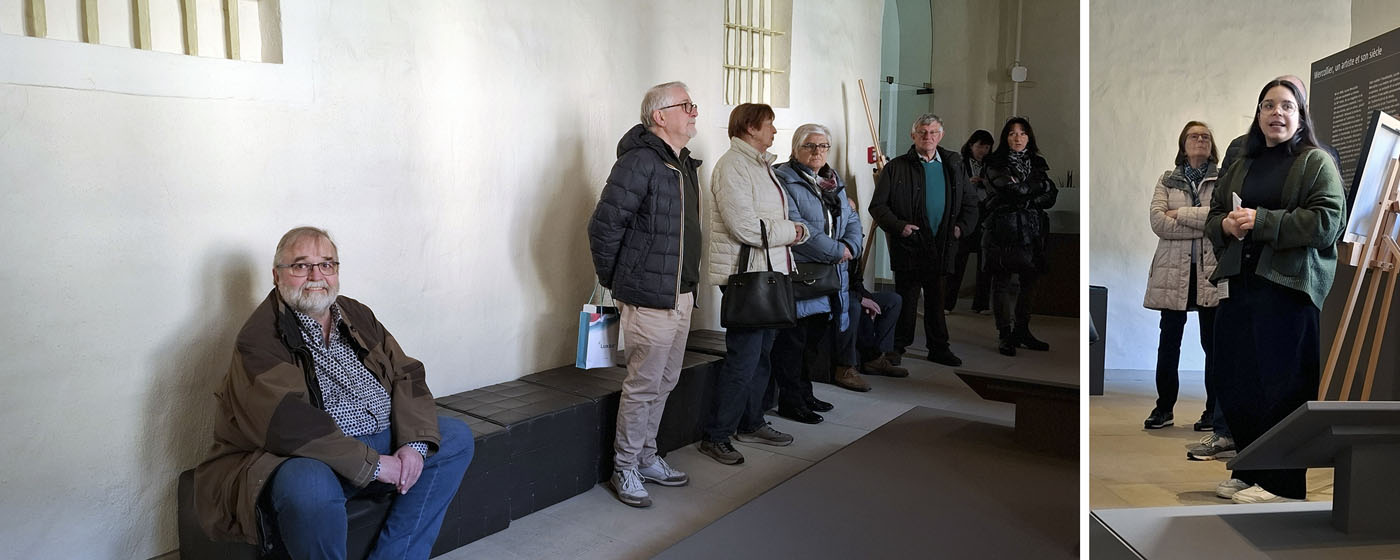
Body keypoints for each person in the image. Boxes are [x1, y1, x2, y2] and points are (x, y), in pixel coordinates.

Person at [194, 227, 475, 559]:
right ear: (276, 275)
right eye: (301, 266)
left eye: (327, 264)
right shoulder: (258, 339)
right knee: (308, 486)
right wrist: (373, 465)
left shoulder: (357, 314)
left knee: (454, 437)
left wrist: (413, 446)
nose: (316, 276)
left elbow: (406, 372)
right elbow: (286, 425)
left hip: (380, 438)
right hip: (315, 456)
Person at [1204, 79, 1345, 504]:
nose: (1276, 113)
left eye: (1286, 106)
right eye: (1268, 105)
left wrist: (1262, 221)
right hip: (1240, 284)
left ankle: (1281, 483)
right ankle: (1249, 469)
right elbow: (1214, 214)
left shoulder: (1315, 162)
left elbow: (1327, 223)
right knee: (1236, 381)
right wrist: (1225, 225)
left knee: (1282, 389)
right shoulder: (1242, 163)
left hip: (1289, 290)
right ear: (1258, 113)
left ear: (1300, 116)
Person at [587, 81, 702, 508]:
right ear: (660, 116)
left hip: (681, 294)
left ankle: (647, 456)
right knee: (643, 384)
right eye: (686, 105)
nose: (694, 111)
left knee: (665, 381)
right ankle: (625, 466)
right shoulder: (639, 162)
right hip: (648, 296)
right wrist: (621, 280)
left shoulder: (682, 163)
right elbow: (603, 226)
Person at [700, 103, 810, 465]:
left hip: (769, 274)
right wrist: (793, 231)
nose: (774, 131)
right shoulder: (732, 166)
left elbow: (772, 220)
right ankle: (716, 436)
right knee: (743, 360)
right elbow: (745, 228)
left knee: (762, 357)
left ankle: (751, 422)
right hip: (746, 278)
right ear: (750, 128)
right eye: (769, 124)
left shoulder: (760, 165)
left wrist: (795, 230)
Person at [769, 123, 867, 425]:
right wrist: (838, 251)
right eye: (809, 145)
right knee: (793, 343)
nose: (817, 151)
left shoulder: (833, 180)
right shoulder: (784, 179)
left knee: (813, 342)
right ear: (795, 149)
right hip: (802, 275)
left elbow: (851, 218)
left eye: (823, 146)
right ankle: (790, 401)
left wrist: (851, 246)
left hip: (830, 278)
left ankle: (805, 393)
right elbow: (798, 227)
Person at [869, 114, 978, 367]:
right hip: (910, 244)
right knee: (906, 300)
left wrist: (961, 228)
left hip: (942, 244)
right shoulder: (896, 167)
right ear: (913, 135)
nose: (927, 137)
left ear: (941, 135)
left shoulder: (953, 165)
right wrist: (900, 227)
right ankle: (897, 347)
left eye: (933, 132)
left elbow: (971, 202)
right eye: (922, 132)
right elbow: (878, 206)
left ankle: (939, 348)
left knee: (937, 300)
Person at [1142, 121, 1221, 433]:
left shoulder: (1223, 178)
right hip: (1172, 272)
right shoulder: (1167, 179)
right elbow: (1157, 222)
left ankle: (1213, 411)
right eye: (1194, 136)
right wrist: (1204, 224)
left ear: (1211, 146)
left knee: (1212, 345)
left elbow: (1221, 218)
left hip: (1210, 272)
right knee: (1168, 342)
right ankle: (1164, 408)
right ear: (1183, 144)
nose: (1200, 140)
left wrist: (1180, 215)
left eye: (1205, 136)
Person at [981, 116, 1059, 356]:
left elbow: (1051, 196)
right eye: (1012, 133)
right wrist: (1038, 187)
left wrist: (1030, 191)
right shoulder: (994, 161)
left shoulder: (1037, 162)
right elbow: (1011, 189)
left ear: (1029, 137)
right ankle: (1005, 333)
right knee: (1002, 281)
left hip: (1033, 229)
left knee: (1030, 281)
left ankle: (1022, 330)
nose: (1018, 138)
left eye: (1023, 133)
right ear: (1005, 137)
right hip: (1004, 228)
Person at [845, 197, 911, 379]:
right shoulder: (834, 240)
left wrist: (865, 296)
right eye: (848, 212)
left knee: (893, 300)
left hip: (854, 292)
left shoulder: (855, 239)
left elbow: (856, 280)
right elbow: (835, 283)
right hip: (840, 296)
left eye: (854, 212)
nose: (852, 216)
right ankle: (859, 360)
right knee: (856, 306)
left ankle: (880, 355)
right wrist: (861, 299)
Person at [946, 129, 996, 314]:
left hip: (986, 214)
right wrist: (968, 182)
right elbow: (952, 185)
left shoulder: (992, 166)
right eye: (980, 146)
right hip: (965, 215)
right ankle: (947, 303)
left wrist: (985, 182)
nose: (983, 150)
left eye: (987, 147)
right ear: (971, 145)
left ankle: (981, 304)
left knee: (985, 262)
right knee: (958, 260)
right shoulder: (959, 163)